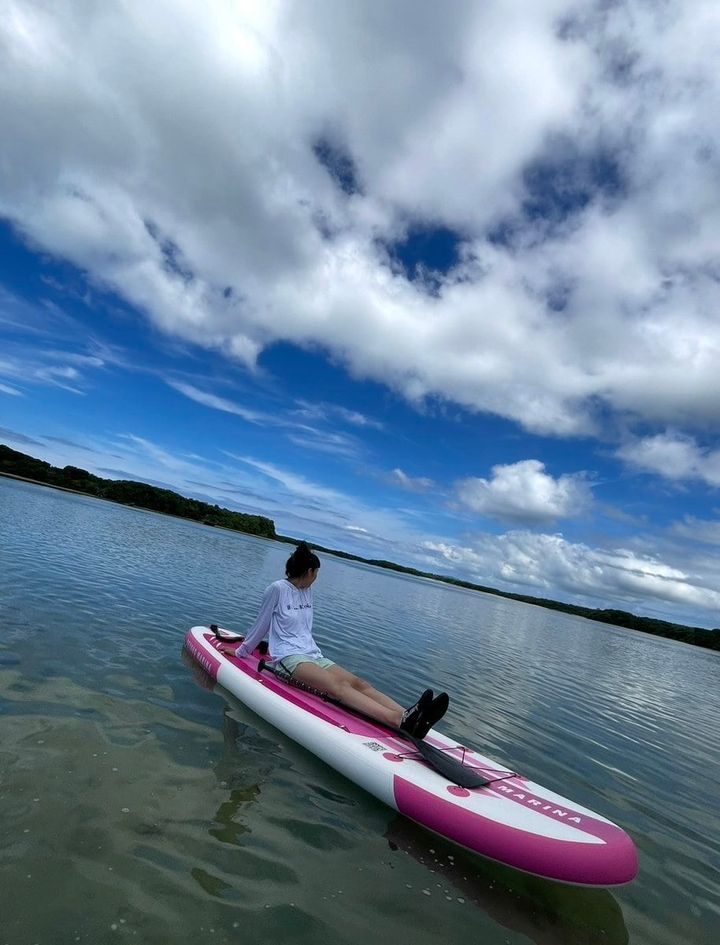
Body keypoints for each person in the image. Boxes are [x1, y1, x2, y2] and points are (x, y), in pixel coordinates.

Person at [220, 542, 449, 738]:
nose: (317, 578)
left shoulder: (306, 592)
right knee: (337, 687)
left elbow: (304, 630)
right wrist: (241, 651)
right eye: (316, 573)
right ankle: (397, 720)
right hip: (289, 658)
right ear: (309, 571)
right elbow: (262, 625)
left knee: (360, 684)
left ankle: (412, 714)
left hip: (312, 654)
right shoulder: (277, 589)